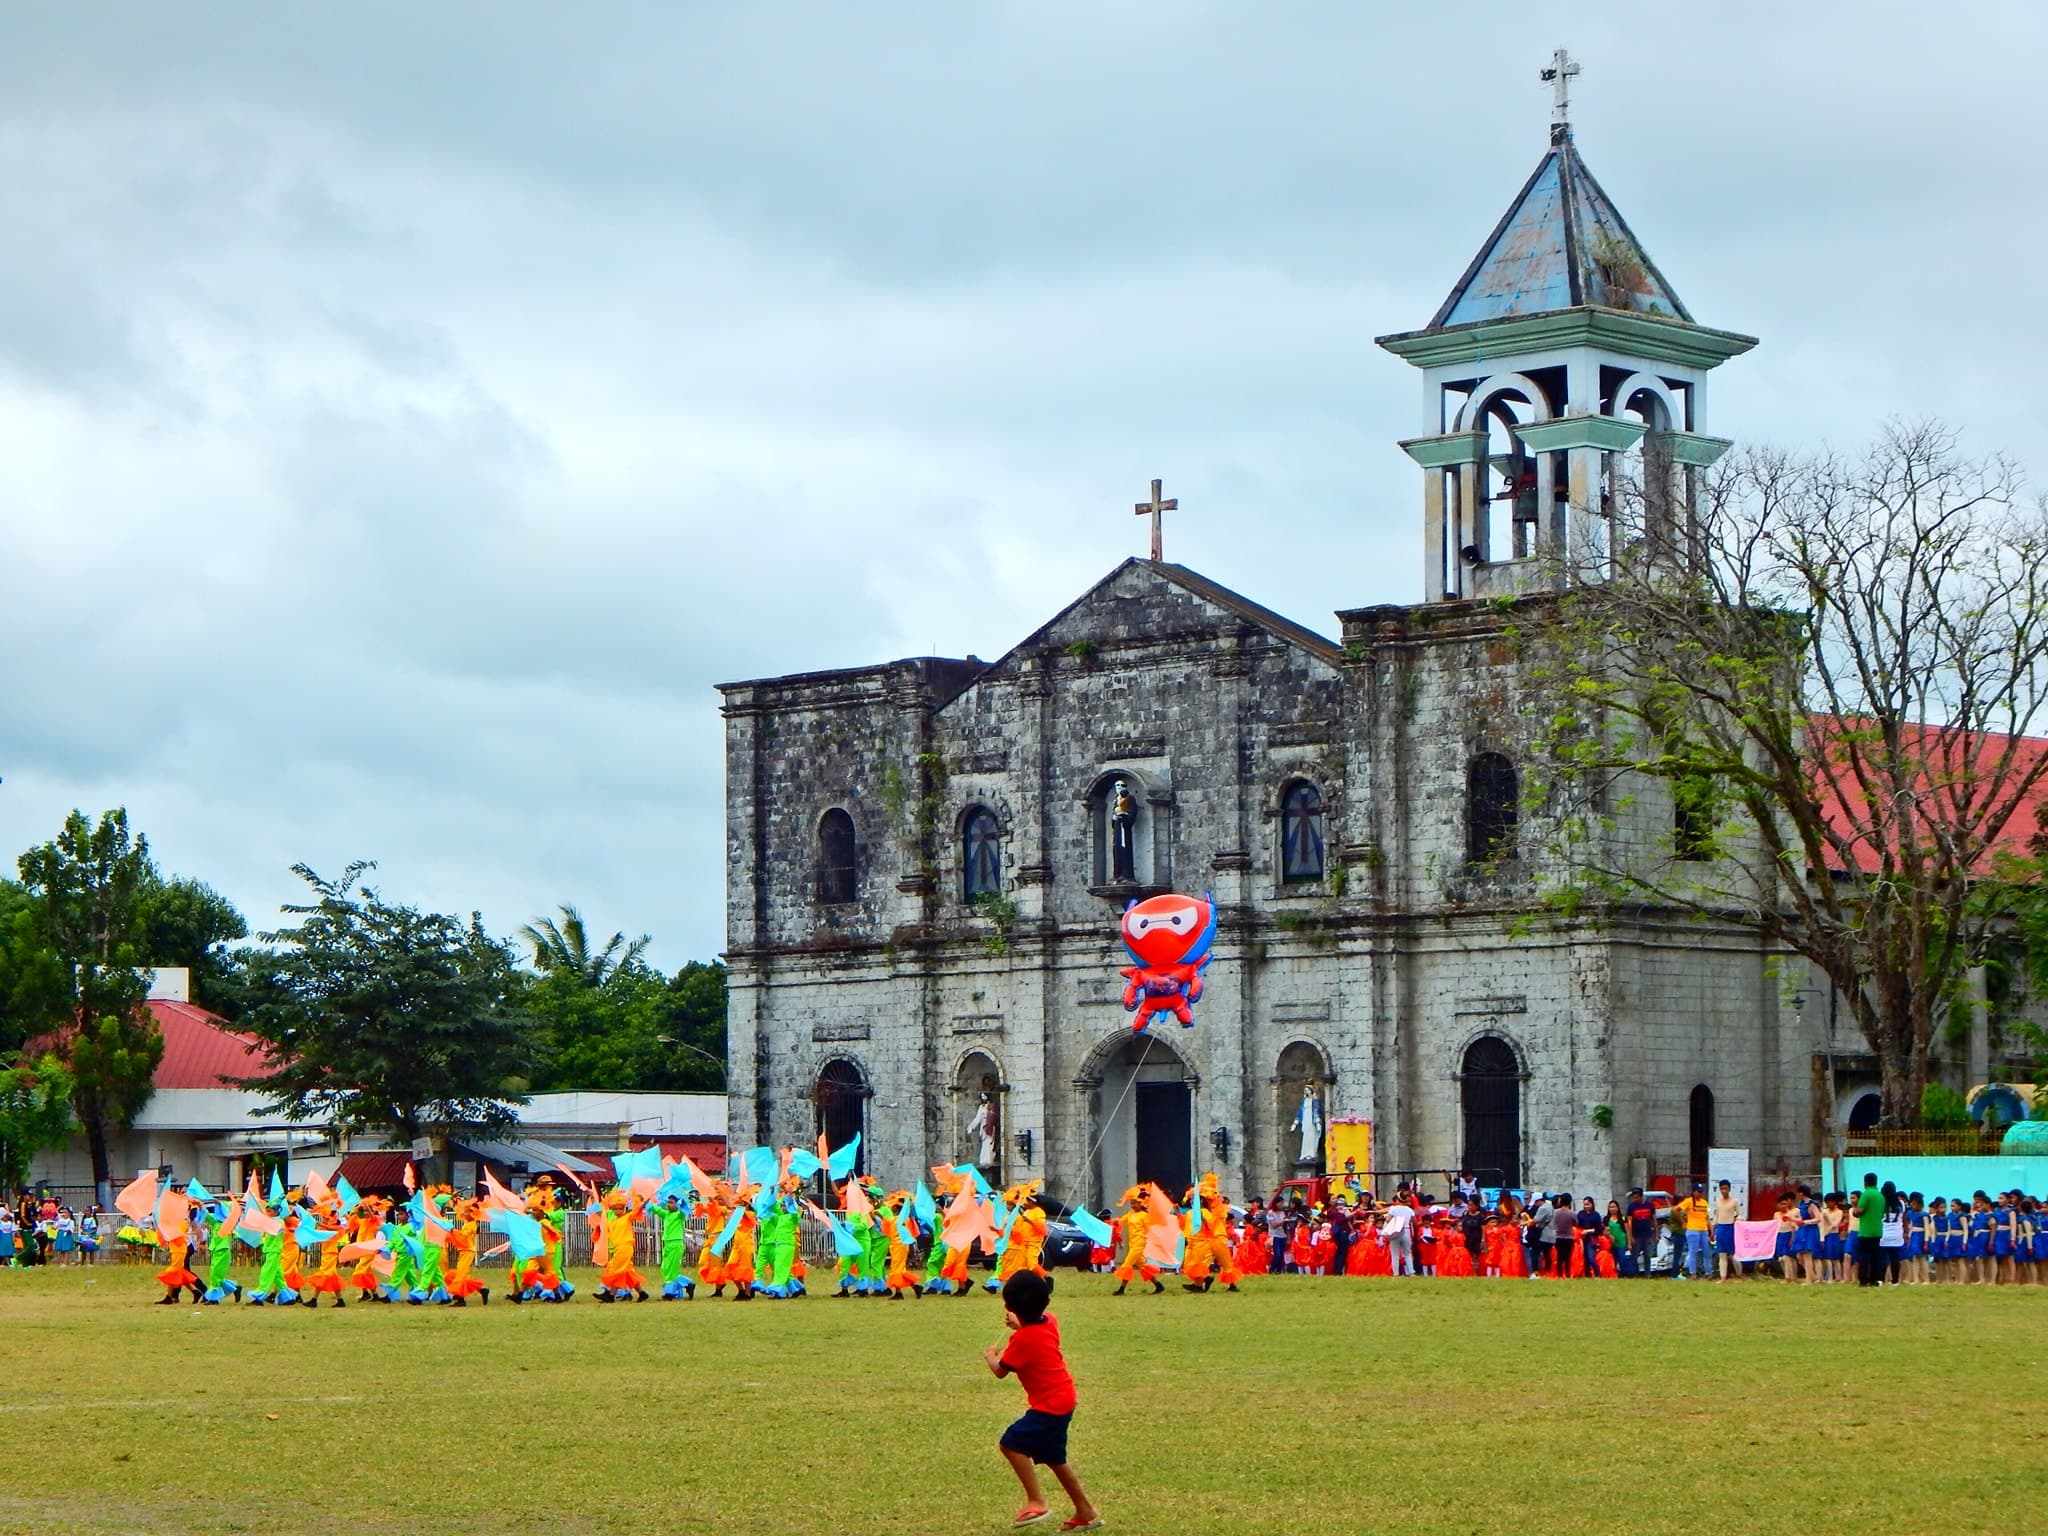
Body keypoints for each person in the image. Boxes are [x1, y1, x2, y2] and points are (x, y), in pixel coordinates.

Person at [983, 1270, 1100, 1532]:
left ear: (1010, 1307)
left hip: (1049, 1406)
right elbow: (1033, 1326)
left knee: (1010, 1444)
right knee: (1054, 1457)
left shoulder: (1022, 1340)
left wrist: (990, 1355)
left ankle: (1037, 1501)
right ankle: (1085, 1509)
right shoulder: (1050, 1322)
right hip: (1064, 1398)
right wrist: (1020, 1323)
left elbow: (1000, 1370)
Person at [1852, 1173, 1886, 1287]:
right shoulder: (1880, 1195)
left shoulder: (1866, 1194)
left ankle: (1863, 1280)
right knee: (1875, 1257)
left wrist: (1854, 1209)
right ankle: (1874, 1279)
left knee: (1864, 1256)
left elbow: (1859, 1211)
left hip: (1866, 1230)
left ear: (1865, 1182)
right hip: (1877, 1229)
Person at [1674, 1183, 1711, 1280]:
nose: (1700, 1193)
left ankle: (1708, 1272)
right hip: (1693, 1230)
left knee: (1707, 1252)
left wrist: (1711, 1231)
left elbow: (1707, 1218)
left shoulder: (1704, 1203)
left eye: (1701, 1191)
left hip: (1704, 1230)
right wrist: (1683, 1222)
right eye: (1698, 1192)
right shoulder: (1689, 1201)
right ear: (1694, 1192)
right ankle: (1693, 1273)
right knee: (1693, 1252)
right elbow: (1676, 1210)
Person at [1713, 1180, 1742, 1282]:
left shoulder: (1735, 1201)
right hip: (1720, 1228)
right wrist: (1712, 1229)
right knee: (1722, 1253)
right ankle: (1723, 1277)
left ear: (1729, 1189)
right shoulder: (1718, 1201)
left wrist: (1737, 1220)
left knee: (1733, 1254)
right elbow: (1716, 1216)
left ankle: (1739, 1276)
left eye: (1725, 1188)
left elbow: (1740, 1215)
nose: (1724, 1191)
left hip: (1731, 1228)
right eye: (1722, 1189)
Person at [1380, 1195, 1416, 1277]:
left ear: (1398, 1200)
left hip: (1395, 1231)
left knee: (1395, 1254)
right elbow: (1414, 1222)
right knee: (1407, 1253)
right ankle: (1411, 1272)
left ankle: (1396, 1274)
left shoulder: (1394, 1209)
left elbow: (1388, 1219)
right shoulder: (1410, 1210)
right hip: (1406, 1231)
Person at [1624, 1189, 1657, 1279]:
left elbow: (1654, 1220)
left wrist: (1656, 1234)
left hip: (1647, 1235)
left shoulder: (1649, 1205)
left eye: (1637, 1197)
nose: (1635, 1199)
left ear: (1641, 1196)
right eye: (1634, 1198)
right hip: (1636, 1235)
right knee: (1635, 1256)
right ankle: (1635, 1273)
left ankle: (1648, 1274)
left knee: (1648, 1255)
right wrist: (1630, 1237)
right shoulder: (1631, 1207)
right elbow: (1629, 1222)